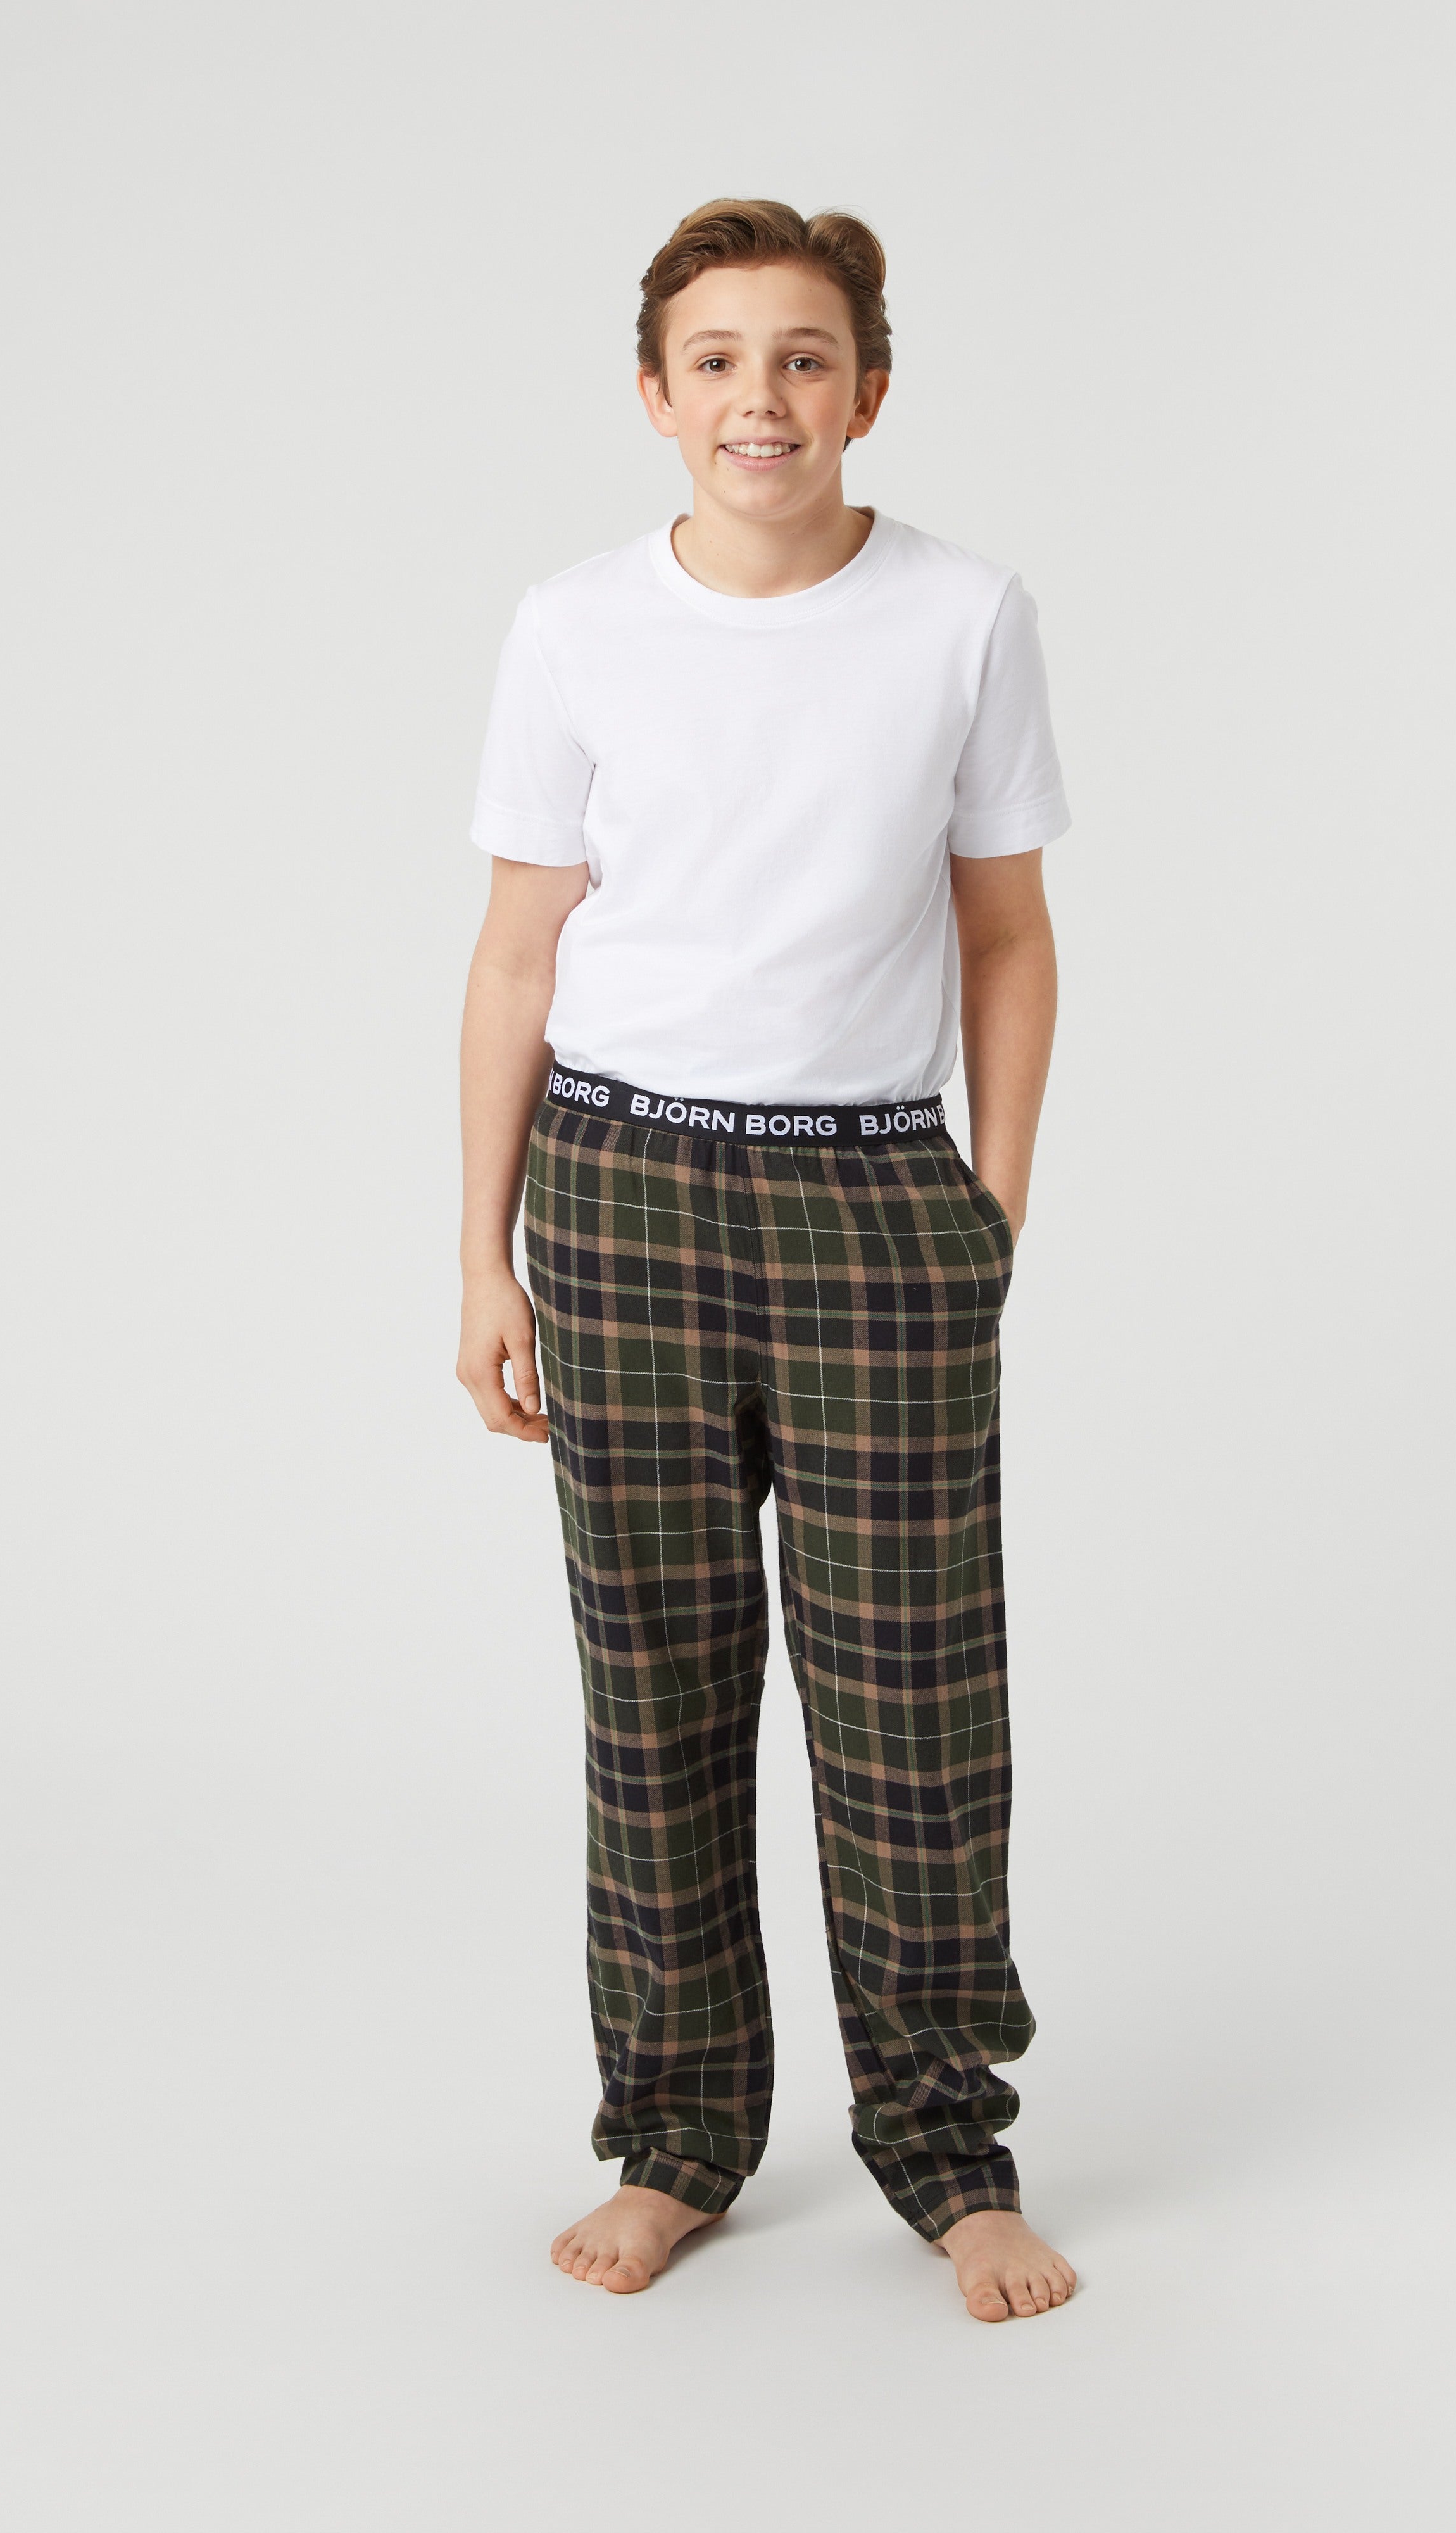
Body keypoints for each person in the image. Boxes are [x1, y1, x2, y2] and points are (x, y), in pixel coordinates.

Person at [456, 199, 1076, 2323]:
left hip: (873, 1191)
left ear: (868, 390)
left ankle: (949, 2153)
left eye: (804, 357)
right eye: (716, 359)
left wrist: (989, 1207)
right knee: (657, 1688)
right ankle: (679, 2137)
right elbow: (518, 952)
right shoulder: (574, 627)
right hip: (618, 1191)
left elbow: (1008, 934)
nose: (761, 398)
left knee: (914, 1700)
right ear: (656, 395)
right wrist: (484, 1257)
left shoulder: (964, 616)